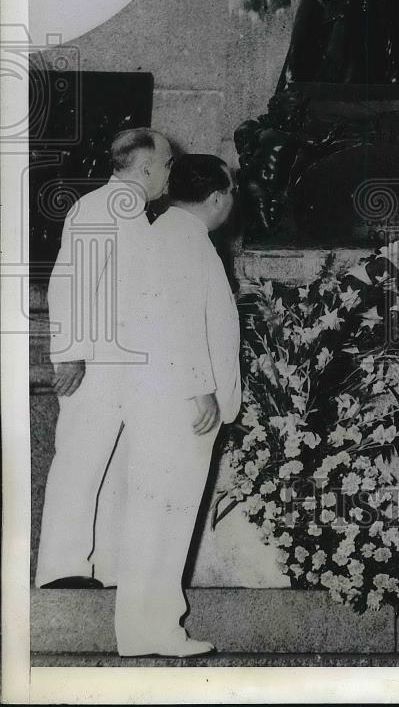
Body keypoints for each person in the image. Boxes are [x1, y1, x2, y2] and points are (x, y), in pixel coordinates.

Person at [114, 155, 242, 658]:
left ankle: (139, 630)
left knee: (153, 513)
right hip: (180, 402)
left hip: (160, 398)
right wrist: (200, 387)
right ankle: (161, 630)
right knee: (167, 514)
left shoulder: (166, 232)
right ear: (216, 198)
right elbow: (179, 321)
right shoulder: (185, 241)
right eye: (231, 192)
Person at [36, 128, 173, 589]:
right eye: (168, 163)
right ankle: (62, 568)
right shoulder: (98, 207)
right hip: (95, 364)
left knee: (116, 466)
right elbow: (68, 282)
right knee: (81, 460)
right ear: (146, 167)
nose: (170, 172)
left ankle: (103, 568)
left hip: (130, 366)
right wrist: (70, 353)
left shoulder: (138, 215)